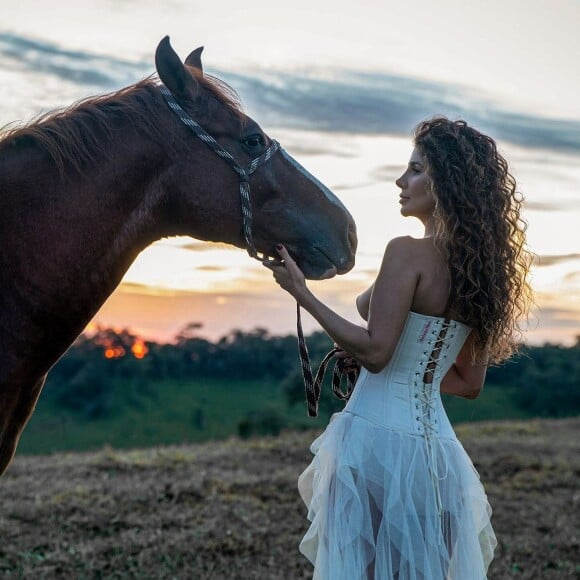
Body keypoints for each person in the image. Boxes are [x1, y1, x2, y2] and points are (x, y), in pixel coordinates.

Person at [263, 117, 532, 579]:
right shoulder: (482, 277)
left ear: (445, 182)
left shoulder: (406, 252)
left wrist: (302, 293)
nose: (400, 181)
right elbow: (468, 382)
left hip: (376, 446)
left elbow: (376, 351)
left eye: (415, 170)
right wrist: (400, 365)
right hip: (441, 462)